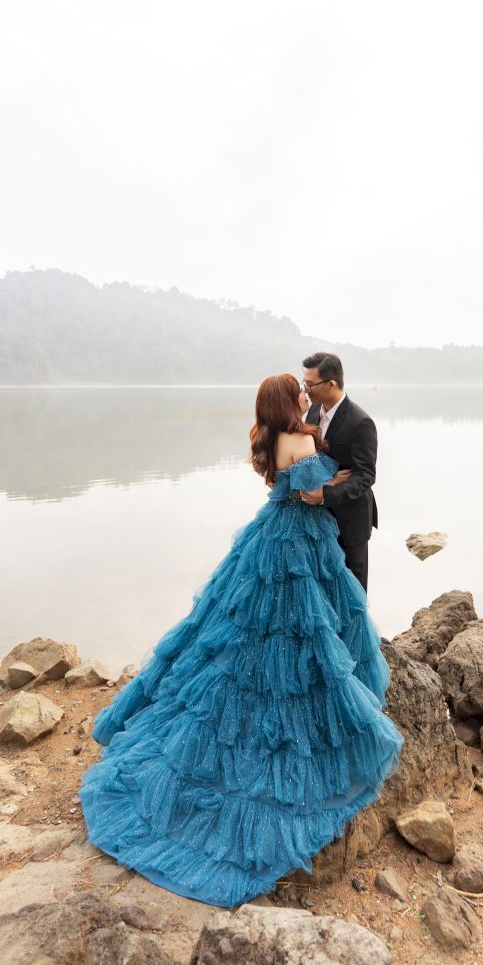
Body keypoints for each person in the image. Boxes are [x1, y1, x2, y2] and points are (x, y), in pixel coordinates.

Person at [78, 372, 404, 909]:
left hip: (277, 535)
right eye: (298, 391)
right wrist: (335, 476)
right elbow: (312, 493)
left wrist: (331, 472)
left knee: (247, 629)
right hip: (296, 543)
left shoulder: (273, 437)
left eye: (308, 387)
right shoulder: (298, 438)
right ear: (287, 401)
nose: (305, 393)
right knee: (295, 635)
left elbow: (299, 482)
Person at [300, 352, 377, 594]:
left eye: (310, 384)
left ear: (331, 384)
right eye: (304, 383)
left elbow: (365, 476)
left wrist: (326, 493)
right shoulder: (313, 411)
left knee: (354, 591)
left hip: (350, 520)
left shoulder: (360, 422)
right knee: (325, 590)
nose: (306, 390)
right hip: (318, 521)